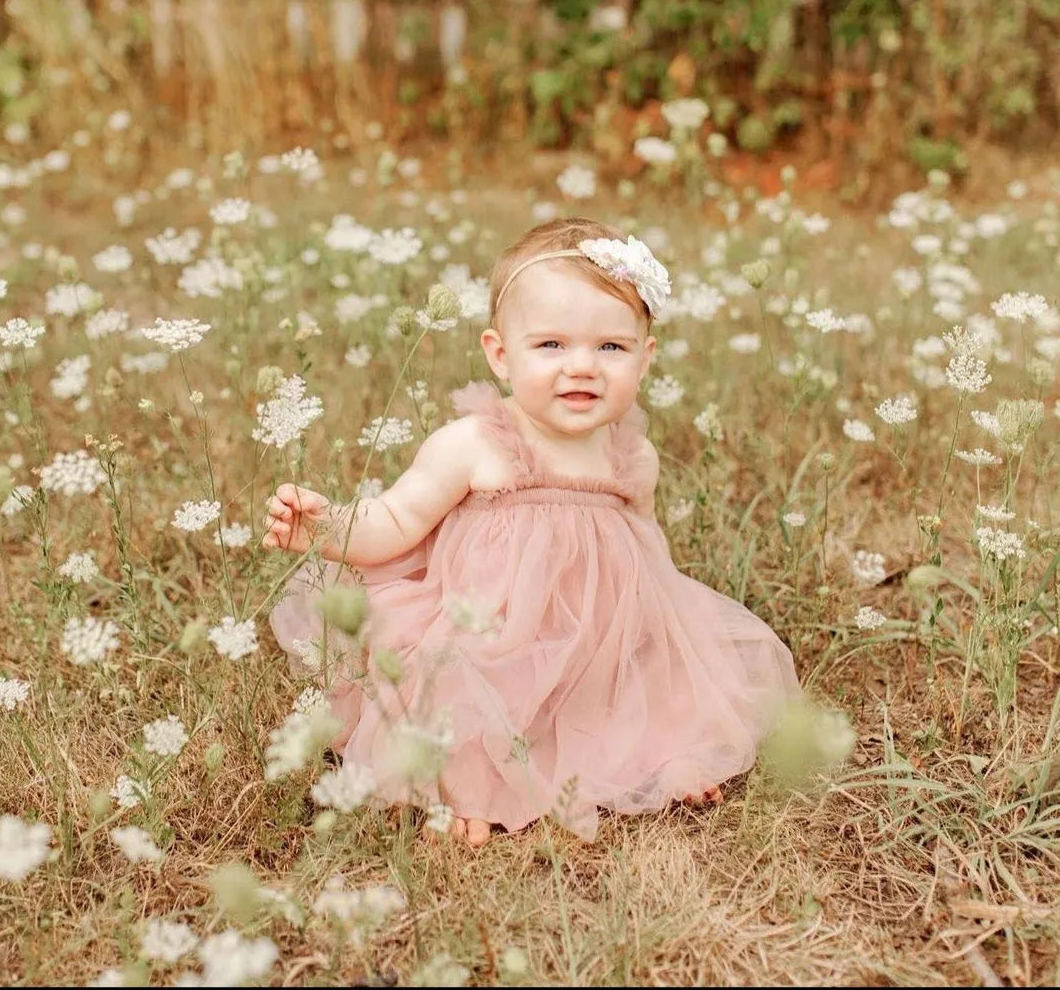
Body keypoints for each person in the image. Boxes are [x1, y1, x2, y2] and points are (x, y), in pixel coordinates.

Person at [262, 216, 800, 845]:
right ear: (500, 354)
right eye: (551, 346)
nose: (582, 368)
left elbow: (649, 548)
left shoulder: (632, 457)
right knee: (455, 694)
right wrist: (328, 528)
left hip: (600, 643)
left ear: (645, 359)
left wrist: (660, 623)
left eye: (611, 348)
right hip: (492, 640)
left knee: (649, 682)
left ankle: (657, 758)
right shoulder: (474, 443)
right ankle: (469, 786)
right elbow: (397, 520)